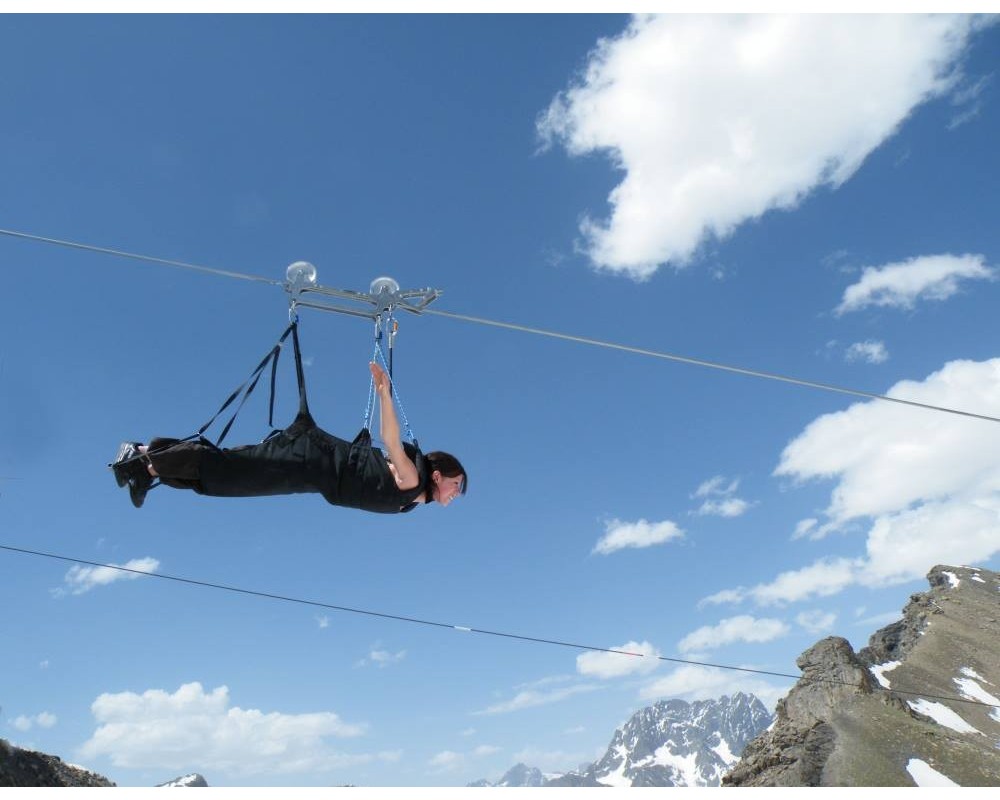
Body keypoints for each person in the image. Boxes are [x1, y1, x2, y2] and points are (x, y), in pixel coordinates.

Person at [112, 361, 466, 512]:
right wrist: (384, 394)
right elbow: (390, 438)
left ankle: (148, 470)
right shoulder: (412, 479)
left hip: (306, 473)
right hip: (308, 458)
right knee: (227, 470)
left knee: (225, 482)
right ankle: (142, 454)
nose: (456, 494)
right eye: (457, 485)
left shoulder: (414, 499)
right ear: (438, 475)